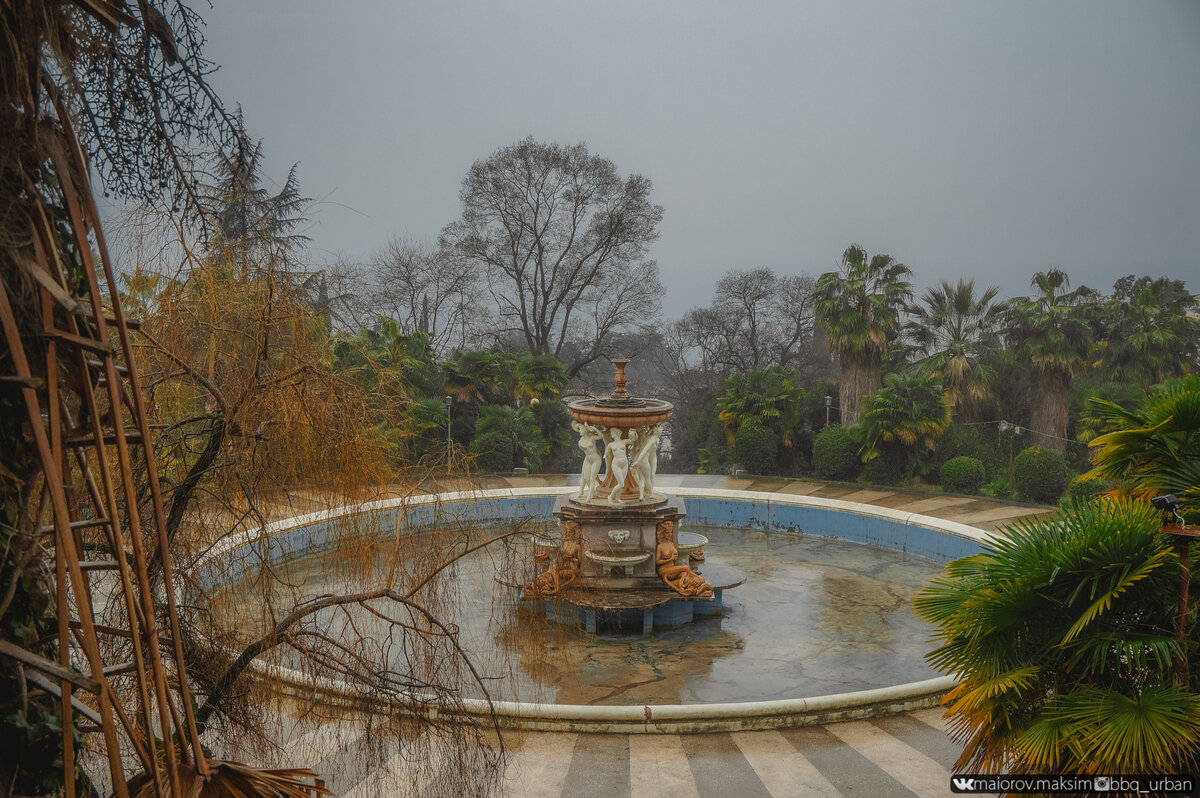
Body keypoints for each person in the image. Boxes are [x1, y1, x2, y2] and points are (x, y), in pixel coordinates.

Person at [654, 520, 712, 597]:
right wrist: (670, 559)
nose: (669, 534)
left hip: (672, 569)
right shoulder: (660, 546)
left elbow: (674, 558)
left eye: (670, 532)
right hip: (664, 571)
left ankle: (693, 584)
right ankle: (697, 578)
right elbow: (657, 562)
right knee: (685, 568)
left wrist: (673, 558)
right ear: (663, 533)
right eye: (667, 532)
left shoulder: (671, 543)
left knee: (684, 574)